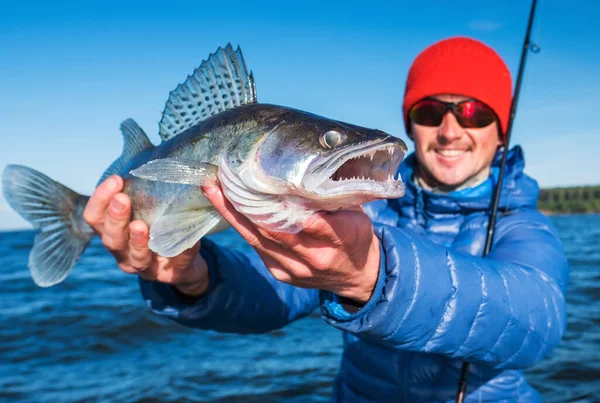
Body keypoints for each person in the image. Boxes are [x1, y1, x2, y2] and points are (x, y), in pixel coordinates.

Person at [83, 37, 569, 402]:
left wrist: (373, 274)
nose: (449, 130)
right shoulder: (352, 207)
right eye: (429, 110)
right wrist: (196, 278)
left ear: (500, 130)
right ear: (411, 123)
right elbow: (279, 293)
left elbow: (536, 322)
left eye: (473, 112)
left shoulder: (524, 226)